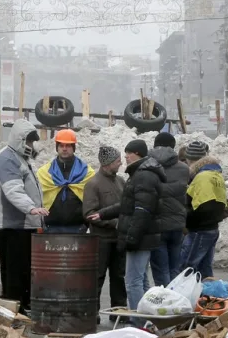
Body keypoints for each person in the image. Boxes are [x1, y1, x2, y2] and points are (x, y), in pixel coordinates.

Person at [98, 139, 165, 316]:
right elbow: (127, 205)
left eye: (130, 152)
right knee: (141, 279)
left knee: (133, 281)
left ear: (139, 154)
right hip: (143, 236)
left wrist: (132, 237)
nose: (126, 156)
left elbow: (143, 210)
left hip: (140, 238)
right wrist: (103, 213)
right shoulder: (140, 174)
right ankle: (149, 318)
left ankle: (139, 320)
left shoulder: (144, 175)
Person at [0, 119, 45, 314]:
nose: (31, 146)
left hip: (24, 224)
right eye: (29, 142)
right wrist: (31, 208)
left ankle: (22, 304)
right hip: (13, 225)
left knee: (24, 268)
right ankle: (14, 307)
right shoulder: (7, 158)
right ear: (20, 139)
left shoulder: (21, 159)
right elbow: (13, 189)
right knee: (15, 270)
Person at [83, 146, 127, 316]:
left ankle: (120, 312)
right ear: (108, 164)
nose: (120, 163)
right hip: (101, 240)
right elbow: (89, 213)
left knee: (119, 277)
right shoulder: (93, 184)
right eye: (117, 161)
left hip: (118, 239)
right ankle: (92, 314)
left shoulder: (121, 181)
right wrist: (114, 223)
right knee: (97, 277)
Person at [180, 141, 228, 278]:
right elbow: (223, 204)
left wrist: (185, 219)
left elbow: (203, 207)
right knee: (204, 271)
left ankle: (184, 298)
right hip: (211, 229)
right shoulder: (215, 174)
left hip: (199, 230)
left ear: (189, 159)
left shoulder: (202, 177)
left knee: (186, 270)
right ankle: (209, 298)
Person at [148, 133, 189, 287]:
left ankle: (165, 301)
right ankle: (176, 300)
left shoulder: (149, 166)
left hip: (157, 225)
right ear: (173, 147)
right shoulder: (184, 169)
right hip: (177, 224)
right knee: (175, 269)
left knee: (161, 269)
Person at [37, 130, 94, 234]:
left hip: (78, 228)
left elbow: (92, 200)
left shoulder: (87, 173)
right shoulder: (44, 173)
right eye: (61, 145)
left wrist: (86, 224)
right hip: (51, 228)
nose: (64, 149)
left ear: (73, 148)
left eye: (68, 146)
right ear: (57, 148)